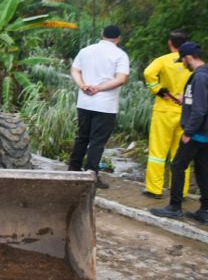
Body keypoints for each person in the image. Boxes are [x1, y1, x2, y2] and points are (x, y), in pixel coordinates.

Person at [151, 42, 208, 223]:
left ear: (188, 57)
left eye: (182, 59)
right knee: (202, 170)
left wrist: (188, 133)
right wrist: (187, 100)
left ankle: (174, 207)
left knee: (177, 166)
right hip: (205, 133)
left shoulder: (199, 77)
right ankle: (205, 210)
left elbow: (200, 110)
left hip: (196, 133)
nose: (182, 63)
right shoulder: (205, 73)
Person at [68, 25, 130, 189]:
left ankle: (73, 169)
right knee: (97, 141)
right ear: (118, 39)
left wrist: (82, 85)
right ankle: (91, 175)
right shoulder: (120, 55)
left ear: (102, 35)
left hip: (85, 102)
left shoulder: (86, 50)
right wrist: (99, 88)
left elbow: (75, 70)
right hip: (105, 105)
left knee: (82, 136)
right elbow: (121, 79)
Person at [142, 29, 193, 199]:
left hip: (164, 111)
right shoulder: (191, 62)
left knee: (158, 153)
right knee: (181, 153)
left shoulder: (163, 60)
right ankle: (180, 191)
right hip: (186, 113)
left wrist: (158, 90)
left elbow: (148, 73)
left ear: (169, 43)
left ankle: (155, 190)